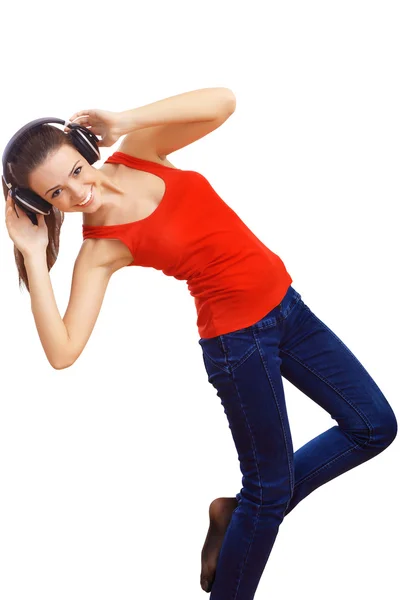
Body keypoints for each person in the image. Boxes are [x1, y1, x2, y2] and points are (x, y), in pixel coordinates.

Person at [3, 87, 397, 600]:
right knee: (269, 494)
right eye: (56, 194)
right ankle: (248, 526)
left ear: (85, 147)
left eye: (76, 171)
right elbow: (63, 352)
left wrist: (122, 118)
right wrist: (34, 256)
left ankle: (242, 514)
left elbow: (223, 103)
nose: (76, 194)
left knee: (374, 426)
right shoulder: (101, 249)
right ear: (44, 204)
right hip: (239, 346)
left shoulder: (140, 150)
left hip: (288, 309)